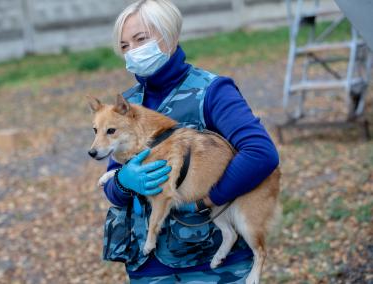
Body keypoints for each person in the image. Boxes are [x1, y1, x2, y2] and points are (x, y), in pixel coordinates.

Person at [100, 0, 279, 283]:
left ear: (170, 35)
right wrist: (122, 181)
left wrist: (209, 200)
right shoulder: (127, 105)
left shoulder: (212, 91)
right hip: (147, 266)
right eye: (124, 46)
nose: (133, 51)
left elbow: (261, 154)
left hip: (211, 266)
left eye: (141, 39)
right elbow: (111, 190)